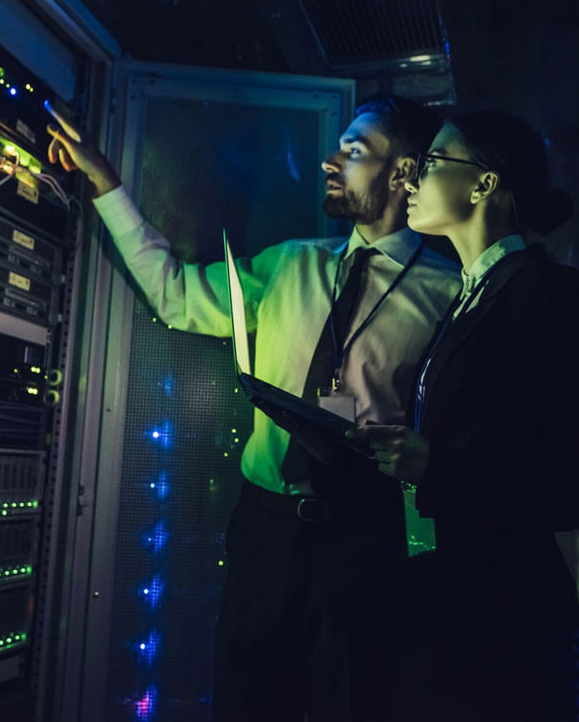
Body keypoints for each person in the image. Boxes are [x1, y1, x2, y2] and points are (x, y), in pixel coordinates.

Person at [47, 96, 461, 722]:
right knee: (245, 700)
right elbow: (176, 296)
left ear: (404, 172)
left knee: (349, 702)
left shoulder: (449, 293)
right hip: (264, 530)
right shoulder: (291, 262)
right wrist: (107, 186)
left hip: (367, 538)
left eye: (353, 151)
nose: (331, 160)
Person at [360, 110, 579, 721]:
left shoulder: (551, 295)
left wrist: (438, 468)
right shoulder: (462, 302)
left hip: (512, 631)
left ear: (484, 183)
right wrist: (415, 550)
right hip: (442, 621)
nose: (409, 181)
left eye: (431, 163)